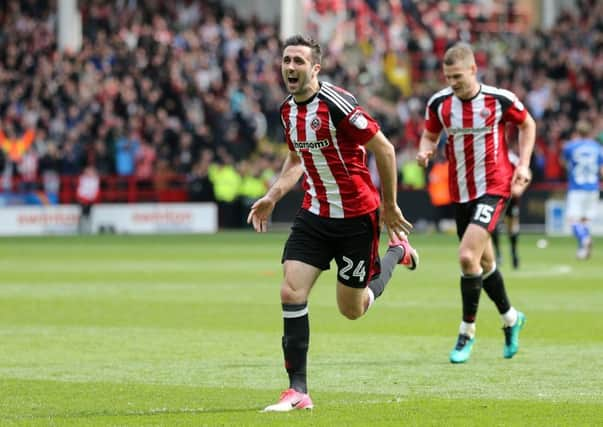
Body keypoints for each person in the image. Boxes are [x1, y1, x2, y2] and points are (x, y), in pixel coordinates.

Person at [247, 34, 419, 412]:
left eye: (298, 61)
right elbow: (295, 161)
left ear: (315, 68)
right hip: (314, 215)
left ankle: (396, 253)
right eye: (286, 60)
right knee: (291, 292)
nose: (290, 67)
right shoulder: (287, 111)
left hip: (357, 217)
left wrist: (389, 207)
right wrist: (272, 197)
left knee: (352, 309)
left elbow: (385, 149)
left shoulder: (337, 104)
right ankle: (297, 391)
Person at [416, 42, 536, 364]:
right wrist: (425, 150)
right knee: (484, 264)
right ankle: (511, 318)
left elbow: (528, 124)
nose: (452, 82)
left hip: (495, 187)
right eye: (447, 76)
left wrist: (523, 164)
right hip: (461, 192)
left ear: (473, 69)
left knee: (467, 256)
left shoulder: (499, 100)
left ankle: (466, 332)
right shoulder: (440, 104)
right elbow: (429, 134)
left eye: (457, 76)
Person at [561, 120, 603, 260]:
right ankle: (582, 251)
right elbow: (602, 170)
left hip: (576, 188)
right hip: (593, 187)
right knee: (585, 221)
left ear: (577, 132)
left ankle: (584, 239)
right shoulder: (598, 148)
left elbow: (563, 162)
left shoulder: (570, 146)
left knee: (573, 221)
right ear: (589, 132)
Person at [492, 145, 522, 269]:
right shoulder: (491, 156)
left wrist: (519, 187)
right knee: (493, 226)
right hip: (495, 196)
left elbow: (523, 174)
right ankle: (498, 254)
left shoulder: (513, 159)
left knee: (512, 227)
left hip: (510, 198)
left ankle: (514, 253)